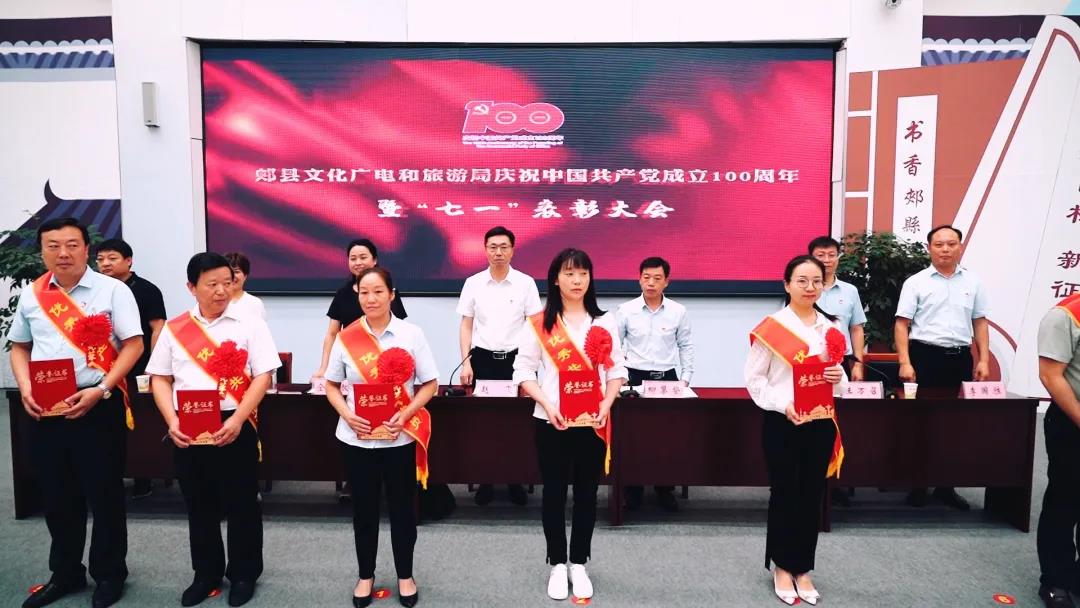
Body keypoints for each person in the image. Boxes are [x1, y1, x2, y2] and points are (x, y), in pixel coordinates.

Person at [9, 217, 144, 608]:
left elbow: (134, 345)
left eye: (71, 244)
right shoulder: (33, 294)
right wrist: (25, 387)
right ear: (42, 251)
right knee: (57, 494)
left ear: (87, 249)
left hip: (98, 403)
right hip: (48, 407)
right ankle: (65, 573)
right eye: (53, 246)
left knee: (104, 494)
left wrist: (101, 389)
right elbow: (20, 346)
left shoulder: (113, 290)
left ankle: (109, 574)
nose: (63, 253)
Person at [145, 253, 280, 607]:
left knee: (242, 503)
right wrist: (171, 420)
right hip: (188, 424)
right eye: (212, 284)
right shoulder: (176, 328)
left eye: (227, 282)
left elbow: (263, 375)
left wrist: (237, 419)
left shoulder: (250, 324)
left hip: (236, 420)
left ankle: (244, 573)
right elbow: (160, 378)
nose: (222, 291)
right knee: (198, 503)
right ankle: (205, 573)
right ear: (192, 287)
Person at [513, 248, 627, 601]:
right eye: (569, 273)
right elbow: (523, 371)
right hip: (552, 422)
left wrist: (606, 404)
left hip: (592, 422)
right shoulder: (540, 323)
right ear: (555, 279)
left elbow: (617, 370)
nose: (577, 280)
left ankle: (579, 562)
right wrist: (547, 404)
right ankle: (557, 563)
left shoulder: (604, 322)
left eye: (583, 273)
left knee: (587, 494)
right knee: (554, 493)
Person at [324, 267, 437, 608]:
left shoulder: (411, 334)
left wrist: (406, 413)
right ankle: (365, 575)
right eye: (364, 292)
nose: (370, 299)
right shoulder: (347, 337)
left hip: (398, 438)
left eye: (377, 292)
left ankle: (405, 575)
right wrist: (347, 415)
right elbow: (331, 385)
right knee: (364, 510)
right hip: (357, 438)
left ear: (391, 294)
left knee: (402, 508)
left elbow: (429, 384)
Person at [744, 255, 847, 606]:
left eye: (816, 281)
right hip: (783, 422)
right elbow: (754, 380)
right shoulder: (773, 327)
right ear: (787, 284)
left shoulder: (831, 327)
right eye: (801, 281)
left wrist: (839, 377)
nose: (809, 287)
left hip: (820, 422)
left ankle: (803, 567)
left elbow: (840, 384)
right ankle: (782, 566)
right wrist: (782, 404)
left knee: (812, 494)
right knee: (785, 492)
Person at [895, 224, 990, 510]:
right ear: (929, 248)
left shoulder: (973, 282)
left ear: (960, 246)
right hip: (924, 357)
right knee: (920, 423)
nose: (945, 249)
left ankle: (946, 487)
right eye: (939, 244)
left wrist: (983, 359)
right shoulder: (916, 282)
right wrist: (905, 361)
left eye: (951, 244)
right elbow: (901, 324)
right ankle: (918, 486)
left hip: (960, 358)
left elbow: (979, 322)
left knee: (953, 425)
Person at [456, 226, 542, 507]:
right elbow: (466, 325)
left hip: (517, 361)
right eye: (493, 247)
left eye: (504, 247)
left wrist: (532, 365)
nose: (498, 252)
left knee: (518, 425)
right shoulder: (473, 283)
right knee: (484, 424)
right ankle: (486, 481)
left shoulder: (525, 283)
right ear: (485, 250)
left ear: (513, 250)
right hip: (483, 360)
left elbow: (535, 325)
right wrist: (466, 362)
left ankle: (516, 480)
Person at [616, 256, 693, 512]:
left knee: (667, 436)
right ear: (639, 279)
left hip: (666, 378)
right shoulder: (626, 310)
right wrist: (620, 377)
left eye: (657, 278)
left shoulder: (678, 311)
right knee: (633, 437)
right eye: (646, 277)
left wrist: (685, 378)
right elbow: (615, 346)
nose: (651, 283)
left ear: (666, 282)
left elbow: (685, 345)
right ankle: (633, 489)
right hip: (634, 378)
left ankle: (664, 488)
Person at [96, 238, 168, 500]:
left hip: (138, 366)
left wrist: (154, 365)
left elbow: (158, 328)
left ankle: (142, 477)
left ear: (129, 261)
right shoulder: (96, 290)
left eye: (112, 258)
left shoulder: (147, 290)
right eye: (100, 259)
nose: (105, 264)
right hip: (102, 366)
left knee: (141, 421)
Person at [1035, 293, 1080, 608]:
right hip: (1071, 422)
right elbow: (1050, 375)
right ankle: (1055, 581)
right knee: (1065, 501)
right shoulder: (1066, 315)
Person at [314, 239, 408, 379]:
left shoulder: (387, 292)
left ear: (374, 260)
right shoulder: (343, 294)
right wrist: (324, 368)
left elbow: (400, 330)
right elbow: (332, 334)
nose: (358, 262)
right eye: (353, 259)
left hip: (385, 363)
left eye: (363, 257)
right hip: (351, 363)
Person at [807, 236, 866, 381]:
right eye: (821, 255)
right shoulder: (804, 289)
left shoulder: (850, 291)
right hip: (808, 358)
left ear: (838, 258)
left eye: (832, 255)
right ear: (811, 259)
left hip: (841, 359)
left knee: (841, 395)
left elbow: (856, 329)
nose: (827, 260)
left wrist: (858, 365)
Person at [223, 252, 266, 321]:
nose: (232, 276)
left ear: (245, 275)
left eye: (236, 272)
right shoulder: (215, 301)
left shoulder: (255, 303)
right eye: (228, 271)